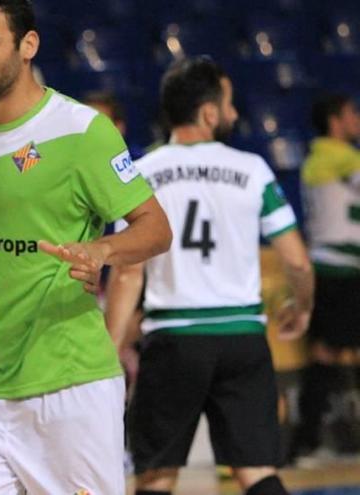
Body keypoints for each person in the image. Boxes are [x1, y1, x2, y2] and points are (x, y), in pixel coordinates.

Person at [0, 1, 172, 494]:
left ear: (29, 45)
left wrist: (102, 251)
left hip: (69, 387)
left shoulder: (83, 131)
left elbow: (156, 228)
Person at [105, 56, 314, 495]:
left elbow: (128, 273)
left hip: (174, 339)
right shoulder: (252, 170)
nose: (236, 114)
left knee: (157, 476)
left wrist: (110, 346)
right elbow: (296, 260)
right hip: (242, 338)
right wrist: (303, 305)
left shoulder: (141, 175)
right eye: (230, 104)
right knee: (257, 473)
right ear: (209, 112)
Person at [291, 92, 360, 459]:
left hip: (326, 266)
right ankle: (308, 439)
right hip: (341, 269)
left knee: (323, 353)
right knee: (326, 354)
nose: (357, 119)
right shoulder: (340, 157)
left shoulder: (316, 159)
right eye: (352, 112)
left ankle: (309, 439)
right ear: (335, 121)